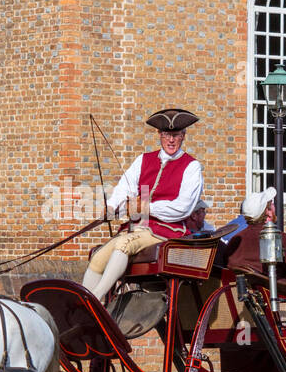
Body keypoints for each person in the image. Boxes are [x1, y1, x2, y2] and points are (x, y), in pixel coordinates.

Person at [81, 108, 204, 300]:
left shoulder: (191, 166)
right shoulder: (143, 160)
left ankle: (95, 301)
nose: (171, 140)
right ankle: (85, 304)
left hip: (167, 230)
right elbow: (125, 189)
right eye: (166, 135)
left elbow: (183, 207)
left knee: (123, 244)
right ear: (159, 135)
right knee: (97, 257)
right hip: (137, 228)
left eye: (175, 135)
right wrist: (113, 207)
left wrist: (146, 208)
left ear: (183, 136)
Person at [220, 188, 286, 288]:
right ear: (268, 211)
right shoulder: (280, 238)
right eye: (272, 204)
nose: (275, 207)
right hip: (276, 296)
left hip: (241, 297)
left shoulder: (235, 241)